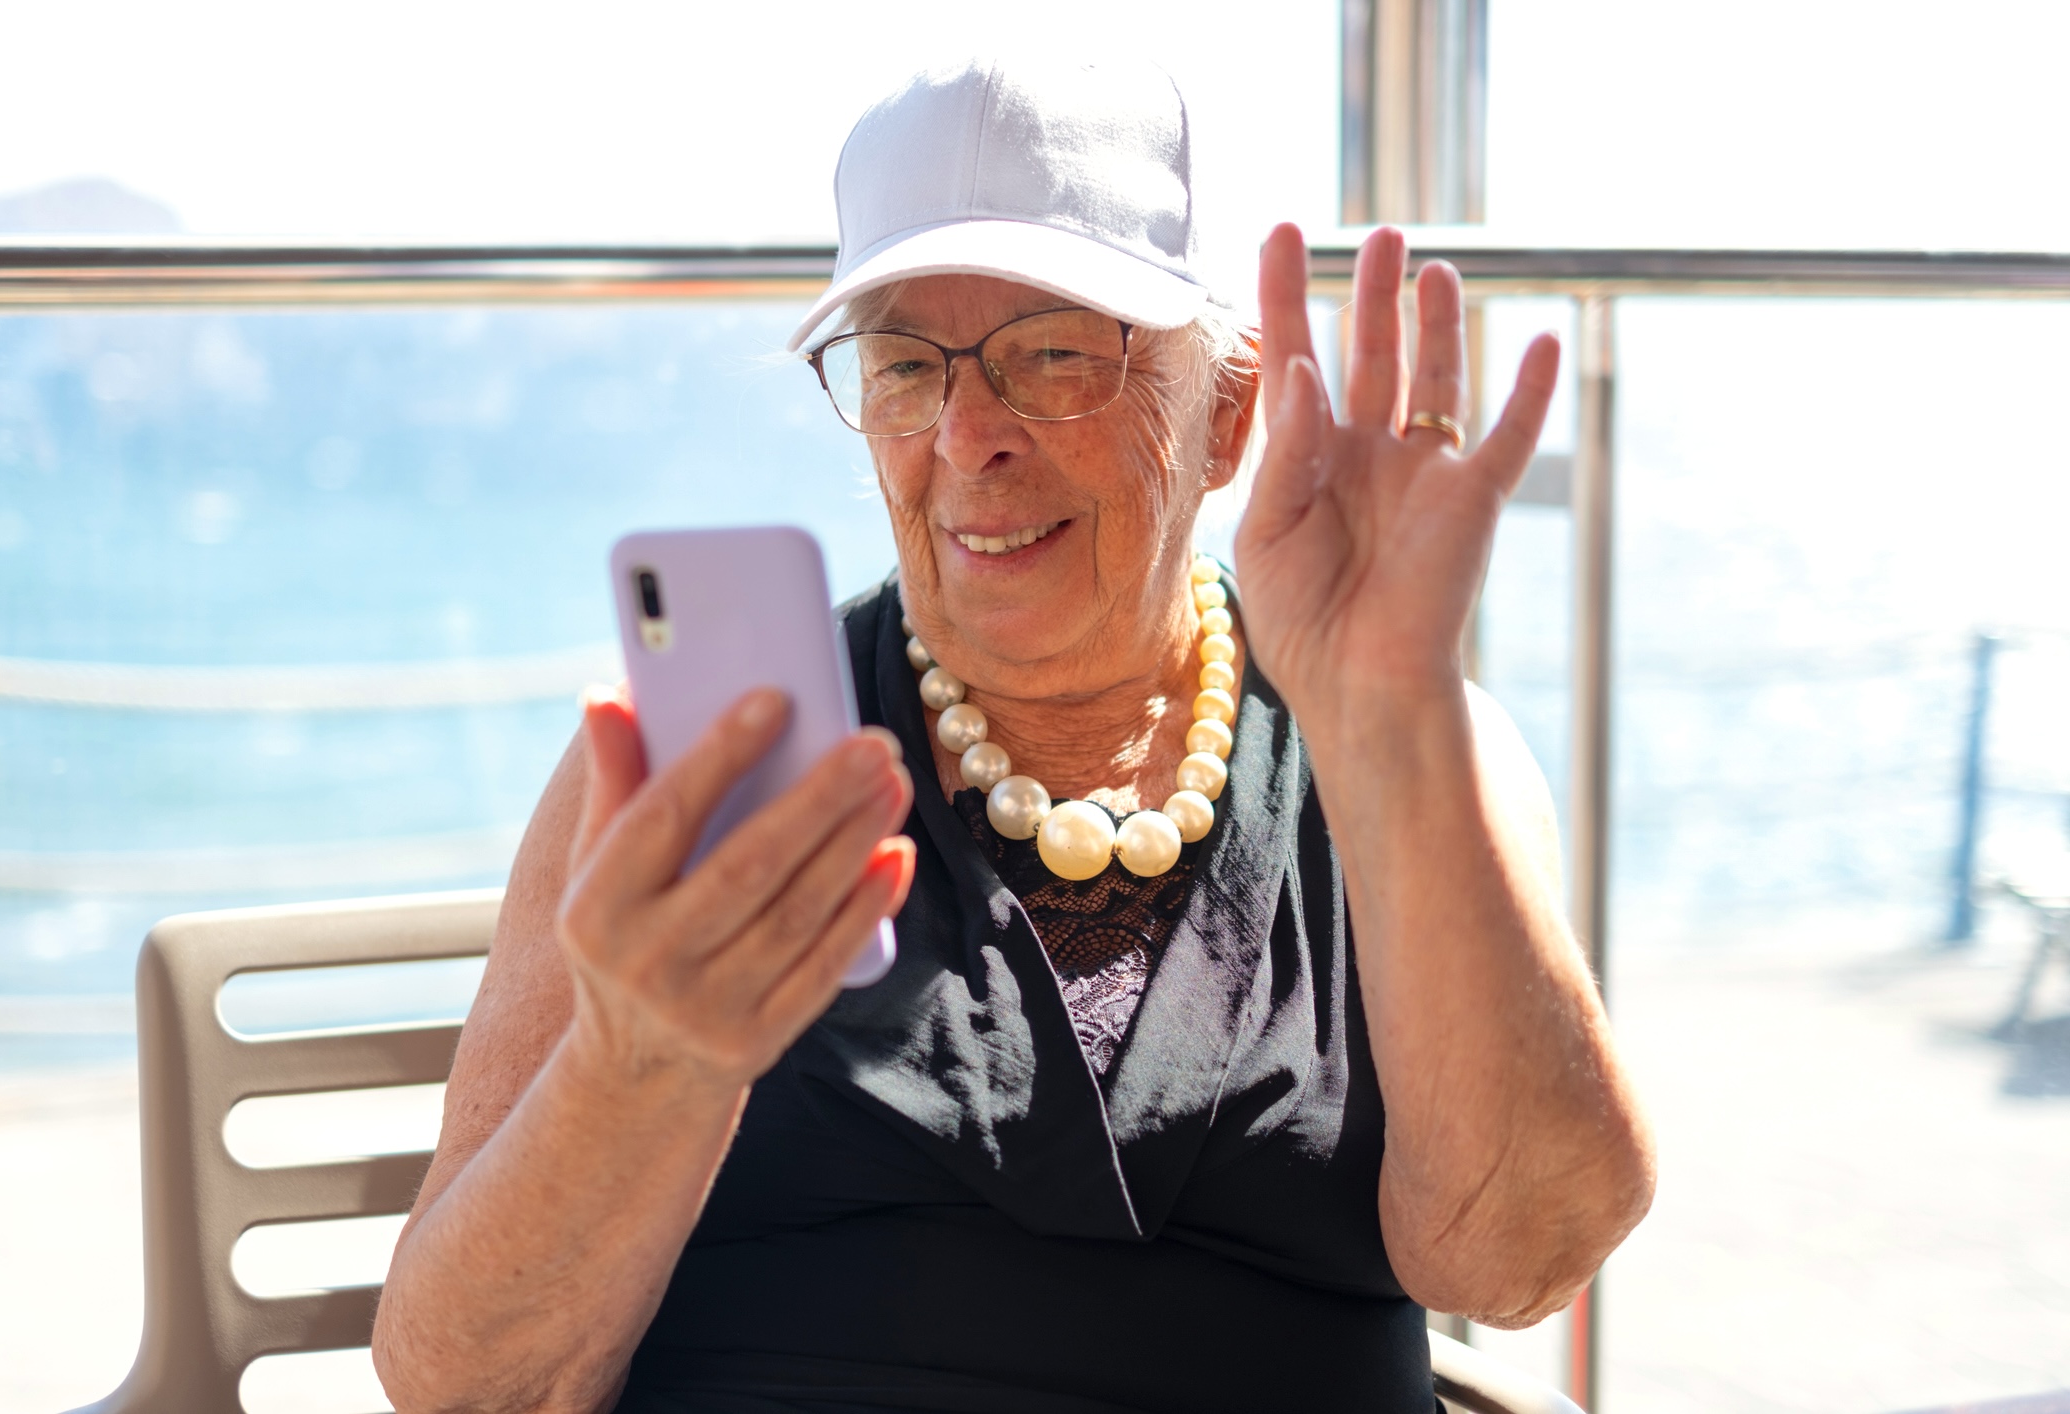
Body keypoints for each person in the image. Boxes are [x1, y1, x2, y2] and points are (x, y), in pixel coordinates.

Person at [373, 55, 1655, 1414]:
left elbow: (1521, 1258)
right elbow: (466, 1386)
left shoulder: (1406, 745)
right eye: (906, 365)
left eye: (1054, 356)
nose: (966, 435)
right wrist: (645, 1065)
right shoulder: (687, 765)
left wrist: (1393, 720)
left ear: (1223, 416)